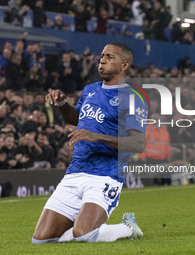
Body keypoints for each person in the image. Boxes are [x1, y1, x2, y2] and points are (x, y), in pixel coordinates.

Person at [32, 42, 147, 244]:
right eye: (102, 55)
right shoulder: (90, 90)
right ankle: (80, 228)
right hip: (75, 171)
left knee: (85, 234)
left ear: (124, 65)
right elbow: (76, 119)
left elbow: (138, 143)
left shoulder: (132, 97)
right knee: (41, 240)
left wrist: (97, 136)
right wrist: (61, 103)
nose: (102, 60)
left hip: (106, 174)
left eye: (110, 57)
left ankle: (127, 227)